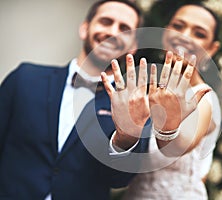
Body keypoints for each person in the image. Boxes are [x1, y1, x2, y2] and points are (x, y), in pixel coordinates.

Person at [0, 1, 150, 199]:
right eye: (106, 21)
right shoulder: (25, 78)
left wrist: (127, 135)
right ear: (84, 28)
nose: (113, 32)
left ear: (133, 46)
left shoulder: (137, 107)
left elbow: (119, 179)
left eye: (124, 29)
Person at [121, 2, 222, 199]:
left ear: (211, 49)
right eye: (178, 26)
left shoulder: (204, 97)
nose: (184, 35)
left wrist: (167, 126)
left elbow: (178, 146)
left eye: (199, 33)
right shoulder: (148, 87)